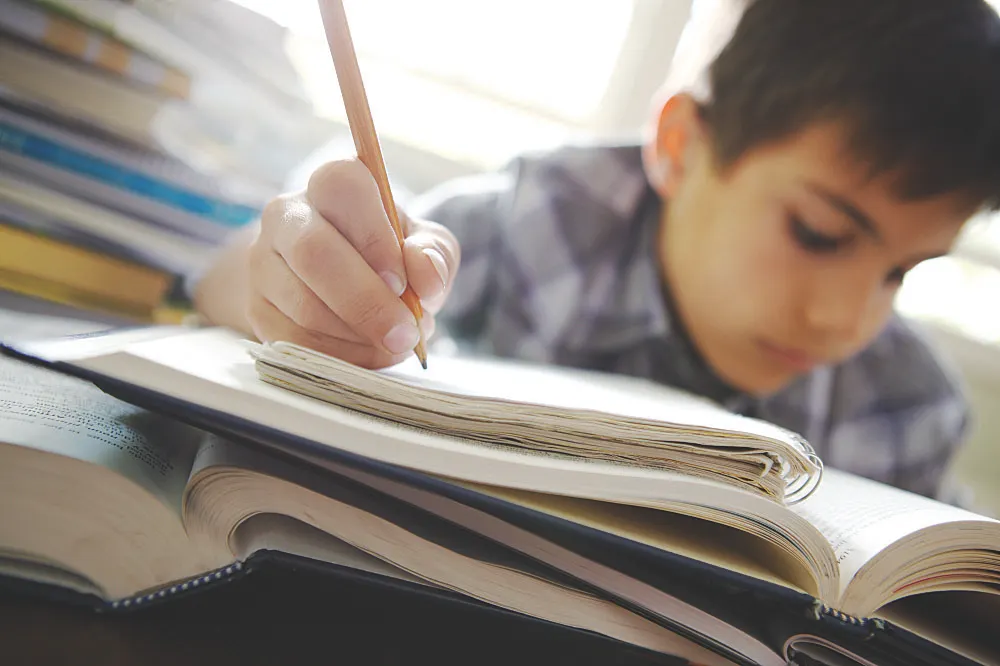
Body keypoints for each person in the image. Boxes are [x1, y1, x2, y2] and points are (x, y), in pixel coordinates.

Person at [191, 0, 1000, 501]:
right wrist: (282, 283)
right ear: (681, 146)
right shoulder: (537, 233)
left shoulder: (909, 412)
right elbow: (223, 285)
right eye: (819, 234)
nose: (845, 319)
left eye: (903, 270)